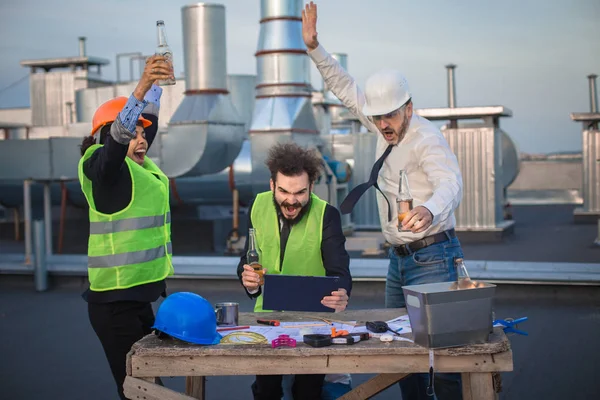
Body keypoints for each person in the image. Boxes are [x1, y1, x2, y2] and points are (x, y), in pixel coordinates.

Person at [302, 2, 465, 399]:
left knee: (440, 355)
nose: (383, 125)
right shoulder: (380, 122)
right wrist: (314, 47)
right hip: (399, 259)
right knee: (400, 351)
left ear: (408, 108)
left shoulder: (426, 138)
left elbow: (451, 181)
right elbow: (343, 87)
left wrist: (428, 209)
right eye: (377, 119)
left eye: (390, 117)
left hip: (432, 257)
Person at [78, 55, 175, 400]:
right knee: (140, 391)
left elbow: (144, 129)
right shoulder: (103, 171)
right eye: (133, 132)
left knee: (146, 387)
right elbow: (118, 141)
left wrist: (158, 91)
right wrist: (143, 86)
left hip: (139, 299)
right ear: (109, 136)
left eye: (142, 132)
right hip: (114, 305)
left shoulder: (139, 167)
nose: (141, 137)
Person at [237, 142, 352, 400]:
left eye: (300, 193)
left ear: (311, 187)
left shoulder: (327, 215)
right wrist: (250, 282)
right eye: (284, 191)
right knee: (267, 392)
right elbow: (246, 259)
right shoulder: (257, 207)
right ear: (272, 185)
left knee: (307, 392)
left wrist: (342, 291)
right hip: (266, 319)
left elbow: (340, 268)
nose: (291, 201)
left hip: (313, 321)